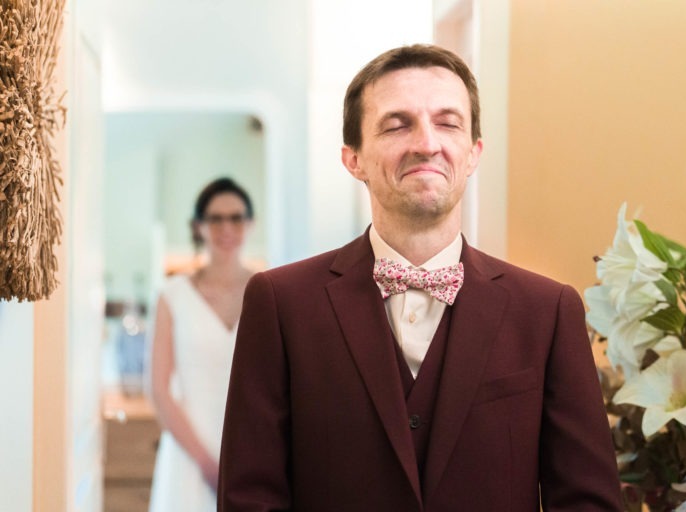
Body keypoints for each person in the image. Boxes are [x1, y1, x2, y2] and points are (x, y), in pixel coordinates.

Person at [218, 44, 622, 511]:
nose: (427, 143)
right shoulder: (280, 303)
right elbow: (249, 498)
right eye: (397, 124)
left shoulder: (548, 311)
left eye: (448, 123)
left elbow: (587, 504)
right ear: (354, 159)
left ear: (473, 153)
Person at [148, 177, 255, 512]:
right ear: (199, 226)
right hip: (187, 457)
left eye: (236, 217)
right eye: (216, 218)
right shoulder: (172, 295)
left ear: (249, 224)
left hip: (251, 451)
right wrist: (207, 464)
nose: (227, 228)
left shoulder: (268, 292)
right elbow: (159, 390)